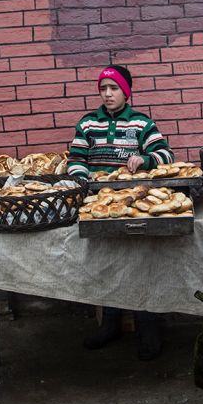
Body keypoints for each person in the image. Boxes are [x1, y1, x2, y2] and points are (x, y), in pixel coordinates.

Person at [68, 65, 174, 360]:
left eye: (114, 88)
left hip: (133, 204)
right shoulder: (88, 124)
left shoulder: (141, 123)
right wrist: (85, 180)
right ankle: (110, 323)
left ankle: (149, 326)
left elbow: (166, 154)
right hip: (99, 205)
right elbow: (75, 159)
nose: (108, 94)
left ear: (126, 92)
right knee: (108, 264)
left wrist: (144, 158)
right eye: (103, 89)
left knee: (140, 263)